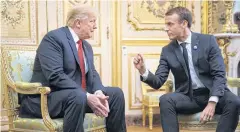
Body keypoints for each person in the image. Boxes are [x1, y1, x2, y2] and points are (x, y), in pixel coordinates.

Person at [19, 4, 126, 132]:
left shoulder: (86, 46)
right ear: (78, 23)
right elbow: (55, 75)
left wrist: (98, 92)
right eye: (92, 21)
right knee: (78, 96)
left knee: (116, 94)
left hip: (75, 97)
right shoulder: (53, 38)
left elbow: (93, 73)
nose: (95, 26)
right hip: (47, 99)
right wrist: (86, 95)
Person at [134, 6, 240, 132]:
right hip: (188, 97)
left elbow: (219, 74)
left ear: (184, 23)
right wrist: (142, 70)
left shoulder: (208, 41)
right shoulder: (167, 50)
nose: (165, 28)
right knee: (166, 100)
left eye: (170, 24)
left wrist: (212, 102)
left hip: (211, 93)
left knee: (233, 101)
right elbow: (158, 82)